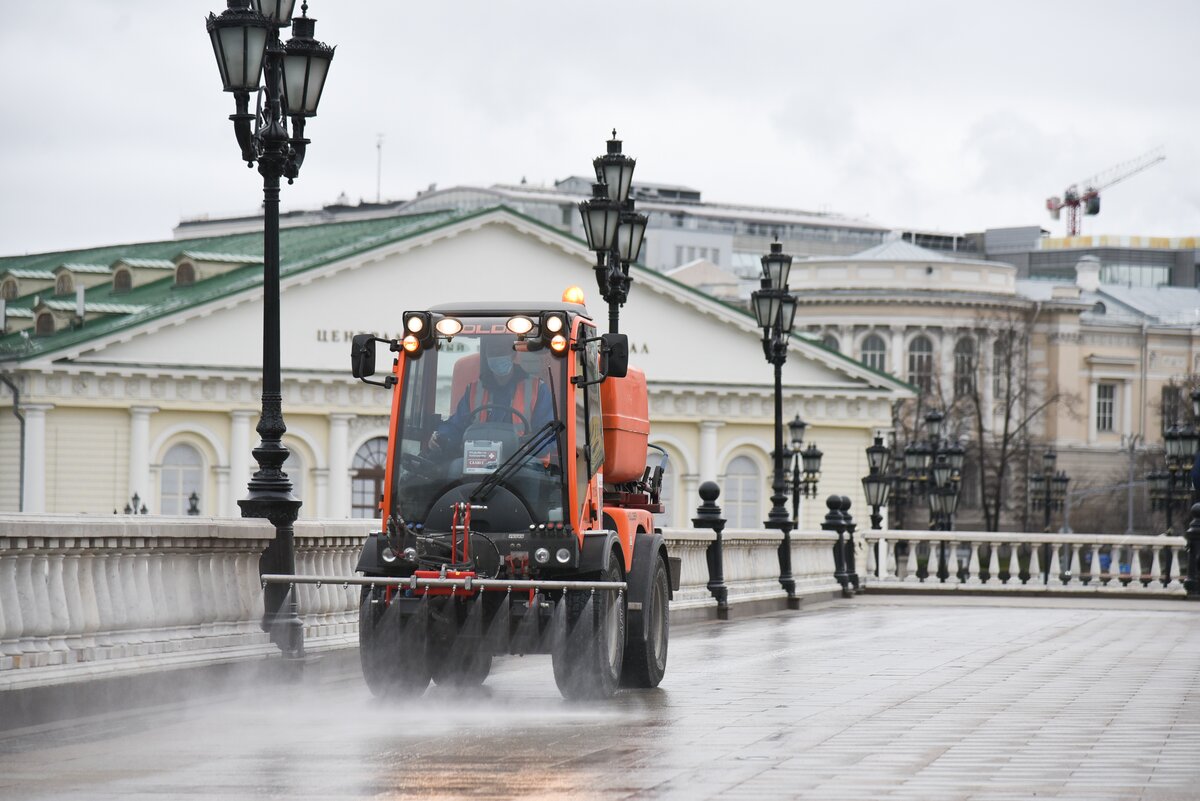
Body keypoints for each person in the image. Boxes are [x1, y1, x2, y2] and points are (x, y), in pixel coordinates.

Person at [430, 335, 553, 456]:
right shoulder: (474, 390)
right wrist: (441, 437)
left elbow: (549, 433)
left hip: (523, 464)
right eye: (492, 352)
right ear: (486, 356)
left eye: (501, 350)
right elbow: (456, 426)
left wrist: (528, 446)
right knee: (452, 470)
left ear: (513, 354)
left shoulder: (537, 389)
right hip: (477, 462)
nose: (497, 356)